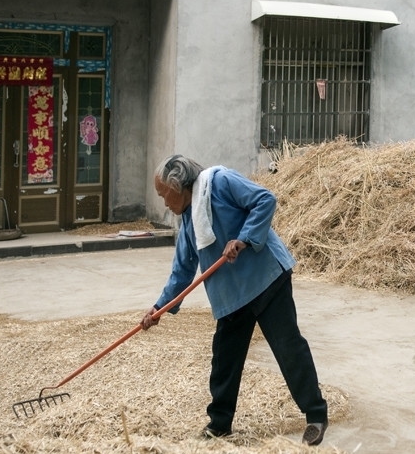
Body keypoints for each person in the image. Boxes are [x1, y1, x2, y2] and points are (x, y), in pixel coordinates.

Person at [140, 155, 328, 446]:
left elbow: (265, 200)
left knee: (288, 347)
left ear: (178, 185)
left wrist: (243, 238)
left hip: (266, 279)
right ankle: (219, 425)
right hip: (232, 296)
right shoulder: (188, 221)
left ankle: (316, 414)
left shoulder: (221, 181)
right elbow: (182, 270)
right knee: (225, 361)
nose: (164, 201)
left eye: (164, 194)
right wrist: (159, 308)